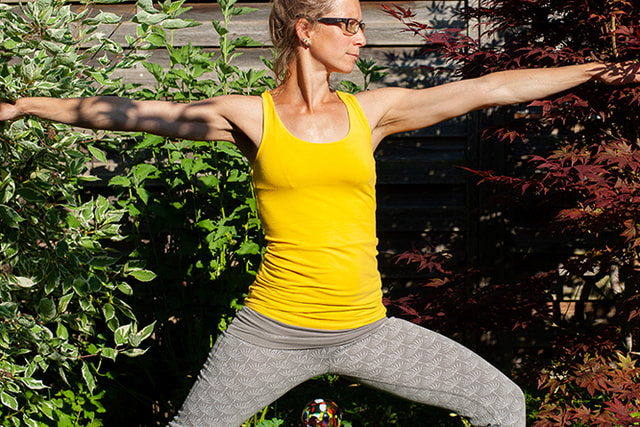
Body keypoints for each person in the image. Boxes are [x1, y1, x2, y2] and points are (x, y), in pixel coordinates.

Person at [1, 0, 639, 425]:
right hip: (270, 333)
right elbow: (133, 114)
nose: (360, 38)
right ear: (306, 30)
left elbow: (488, 89)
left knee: (503, 403)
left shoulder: (374, 113)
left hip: (367, 331)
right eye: (347, 24)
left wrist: (592, 70)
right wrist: (26, 104)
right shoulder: (249, 116)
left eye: (362, 24)